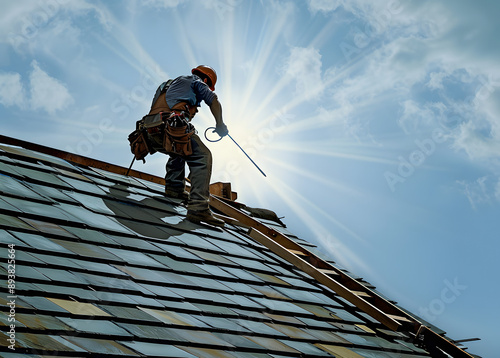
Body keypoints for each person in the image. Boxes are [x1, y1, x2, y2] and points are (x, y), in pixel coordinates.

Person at [147, 65, 228, 226]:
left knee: (181, 148)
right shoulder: (196, 81)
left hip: (151, 131)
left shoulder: (167, 84)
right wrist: (220, 125)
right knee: (202, 156)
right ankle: (198, 208)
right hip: (170, 127)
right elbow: (214, 100)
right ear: (206, 80)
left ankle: (174, 189)